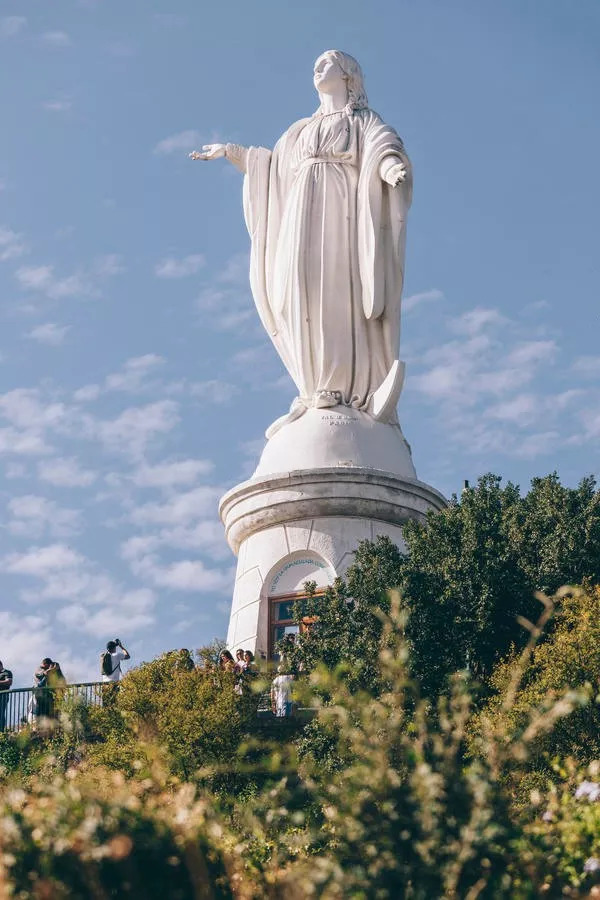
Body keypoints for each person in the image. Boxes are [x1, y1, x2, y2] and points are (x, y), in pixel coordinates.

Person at [191, 50, 412, 435]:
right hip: (300, 213)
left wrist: (390, 167)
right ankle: (312, 389)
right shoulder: (300, 129)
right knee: (297, 290)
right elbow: (275, 167)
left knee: (334, 290)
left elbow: (382, 146)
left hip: (342, 209)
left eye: (328, 62)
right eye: (317, 63)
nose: (318, 67)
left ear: (348, 75)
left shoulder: (362, 121)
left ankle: (341, 386)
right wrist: (232, 152)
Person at [0, 661, 13, 731]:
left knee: (0, 712)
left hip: (3, 695)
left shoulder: (7, 672)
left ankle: (1, 731)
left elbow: (9, 682)